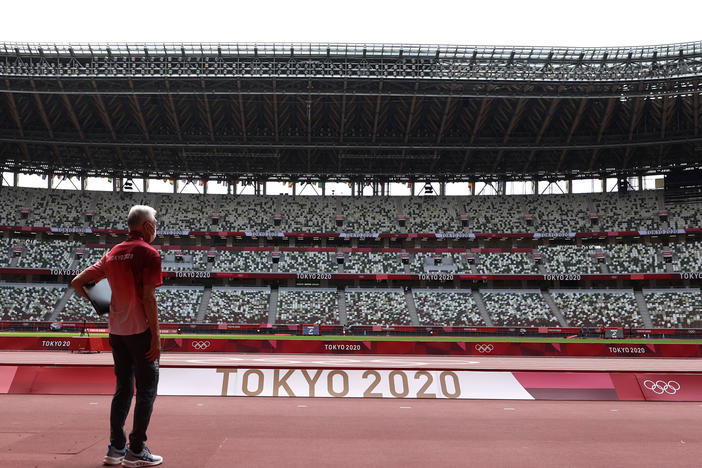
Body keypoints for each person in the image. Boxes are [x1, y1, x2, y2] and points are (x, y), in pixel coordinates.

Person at [71, 205, 163, 467]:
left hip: (117, 333)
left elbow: (78, 281)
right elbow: (148, 297)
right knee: (146, 390)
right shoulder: (148, 253)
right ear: (146, 227)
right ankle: (136, 450)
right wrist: (156, 336)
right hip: (140, 332)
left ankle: (115, 449)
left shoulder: (112, 253)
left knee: (122, 389)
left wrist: (103, 304)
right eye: (155, 222)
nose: (156, 226)